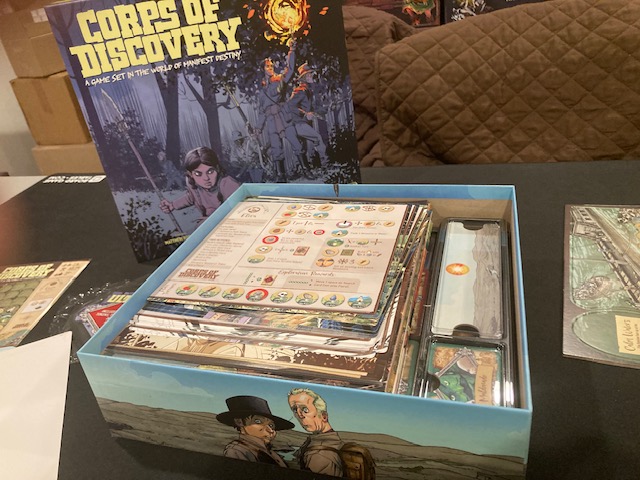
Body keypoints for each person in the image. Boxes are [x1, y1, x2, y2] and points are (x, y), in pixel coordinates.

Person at [255, 39, 303, 182]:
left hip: (283, 116)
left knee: (295, 142)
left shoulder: (280, 80)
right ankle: (281, 176)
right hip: (271, 121)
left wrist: (291, 51)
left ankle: (306, 170)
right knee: (276, 148)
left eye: (271, 66)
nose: (270, 68)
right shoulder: (262, 92)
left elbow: (290, 69)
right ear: (262, 69)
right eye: (267, 66)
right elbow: (262, 112)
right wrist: (258, 128)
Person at [160, 146, 240, 218]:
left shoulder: (228, 184)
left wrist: (215, 217)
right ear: (190, 174)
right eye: (198, 174)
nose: (206, 178)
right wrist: (173, 205)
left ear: (217, 169)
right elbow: (192, 197)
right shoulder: (194, 184)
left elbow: (240, 210)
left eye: (210, 171)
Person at [217, 395, 294, 467]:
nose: (270, 430)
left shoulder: (269, 451)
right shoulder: (236, 450)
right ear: (239, 422)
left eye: (271, 425)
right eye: (258, 421)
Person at [287, 387, 344, 477]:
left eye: (305, 409)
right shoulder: (329, 442)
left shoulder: (318, 454)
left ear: (324, 416)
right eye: (295, 410)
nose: (299, 415)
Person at [288, 63, 328, 174]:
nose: (311, 76)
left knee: (306, 146)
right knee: (317, 138)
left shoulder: (307, 91)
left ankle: (307, 168)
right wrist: (305, 114)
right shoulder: (300, 90)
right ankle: (325, 165)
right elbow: (290, 106)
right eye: (309, 75)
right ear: (304, 78)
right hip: (298, 123)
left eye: (311, 74)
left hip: (303, 122)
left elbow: (308, 107)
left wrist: (319, 111)